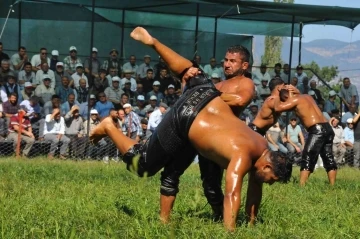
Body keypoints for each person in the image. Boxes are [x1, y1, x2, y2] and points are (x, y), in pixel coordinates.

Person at [89, 27, 292, 231]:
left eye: (232, 61)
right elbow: (233, 192)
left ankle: (164, 223)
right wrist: (230, 233)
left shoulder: (260, 145)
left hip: (202, 121)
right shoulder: (246, 149)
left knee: (192, 74)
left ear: (244, 65)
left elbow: (255, 188)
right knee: (143, 165)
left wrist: (251, 222)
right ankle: (109, 126)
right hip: (191, 120)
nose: (227, 64)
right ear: (267, 167)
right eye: (227, 60)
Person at [274, 88, 337, 186]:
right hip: (328, 128)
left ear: (286, 97)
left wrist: (275, 95)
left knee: (307, 156)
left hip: (317, 129)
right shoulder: (307, 96)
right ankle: (333, 186)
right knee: (328, 157)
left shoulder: (294, 100)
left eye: (284, 99)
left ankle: (301, 185)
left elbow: (278, 108)